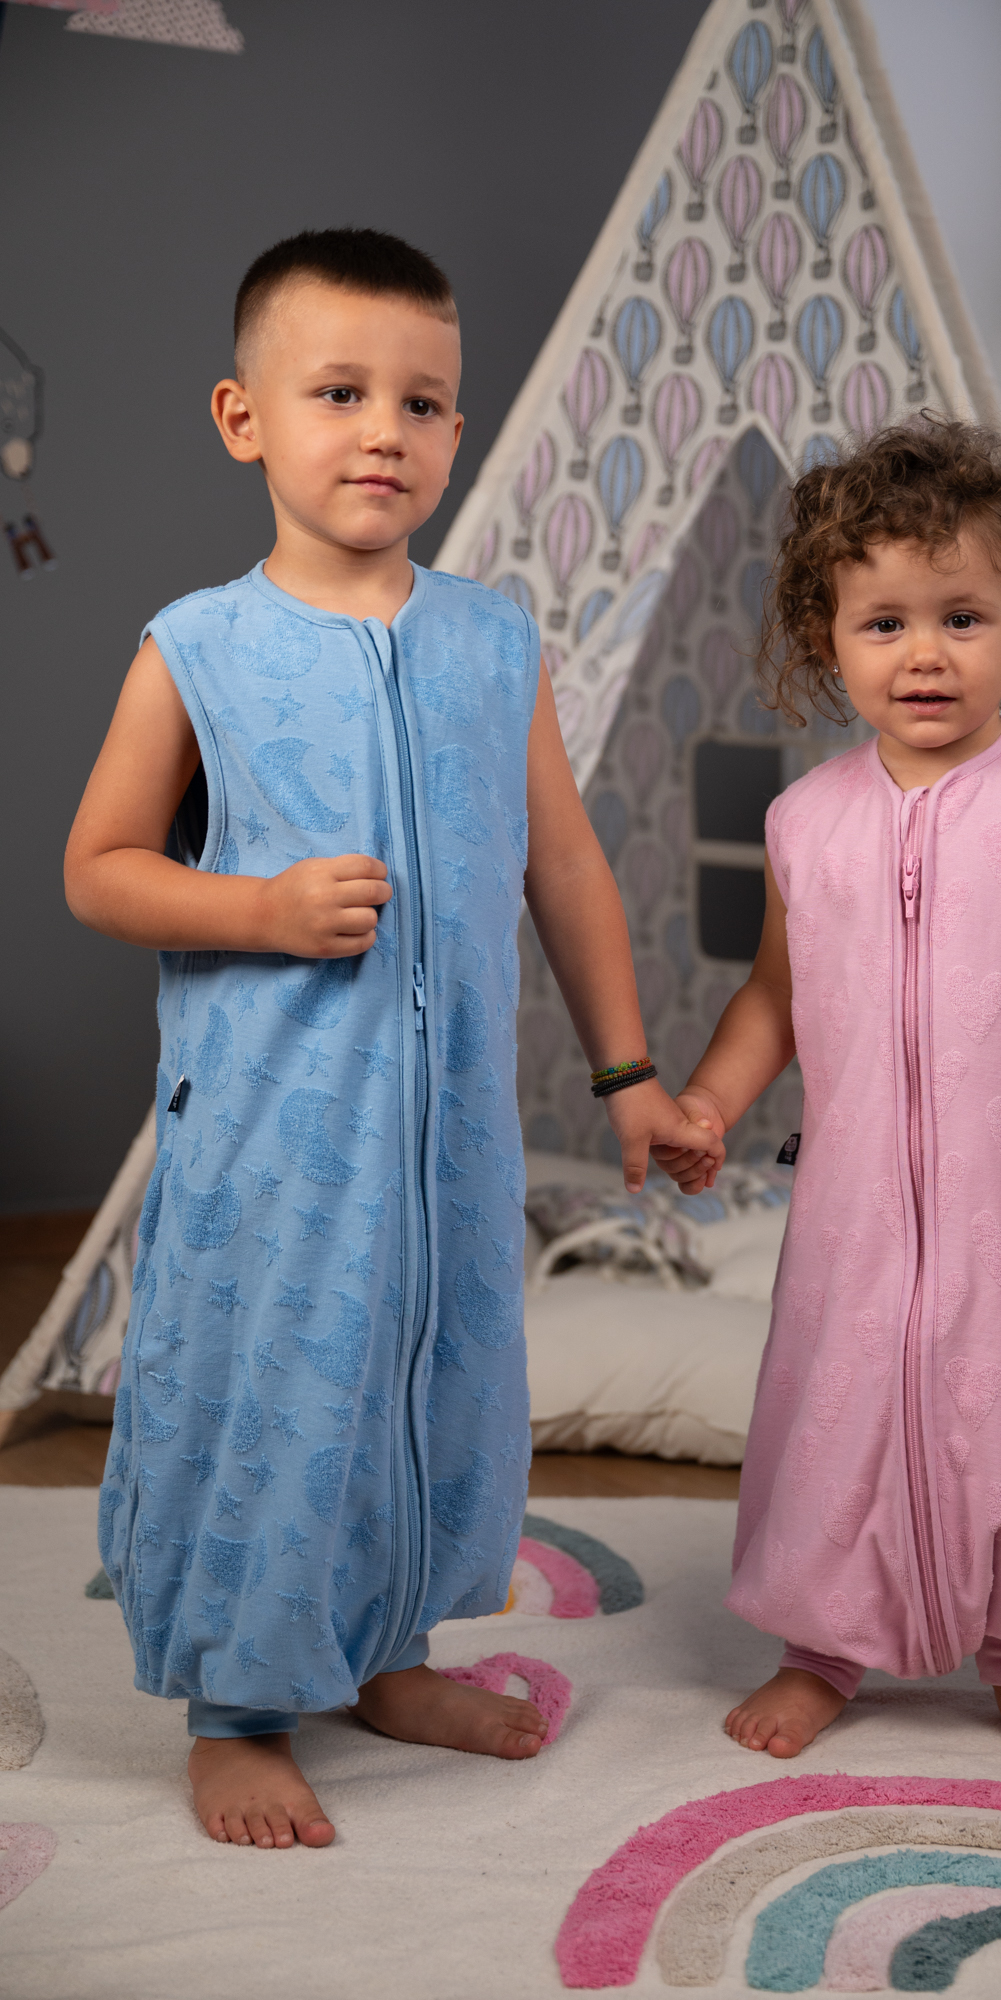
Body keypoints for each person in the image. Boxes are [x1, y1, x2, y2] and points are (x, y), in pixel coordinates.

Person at [65, 227, 720, 1850]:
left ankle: (390, 1656)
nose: (385, 432)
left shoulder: (495, 641)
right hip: (275, 1123)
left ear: (457, 429)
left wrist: (631, 1075)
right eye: (340, 393)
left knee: (427, 1376)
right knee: (278, 1385)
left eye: (423, 403)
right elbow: (101, 868)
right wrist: (262, 909)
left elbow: (563, 866)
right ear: (244, 419)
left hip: (446, 1127)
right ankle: (236, 1706)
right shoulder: (199, 645)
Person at [653, 417, 1001, 1780]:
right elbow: (774, 997)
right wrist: (710, 1100)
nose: (927, 654)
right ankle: (822, 1648)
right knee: (839, 1425)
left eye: (963, 616)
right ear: (825, 639)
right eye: (884, 623)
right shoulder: (807, 822)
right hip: (855, 1221)